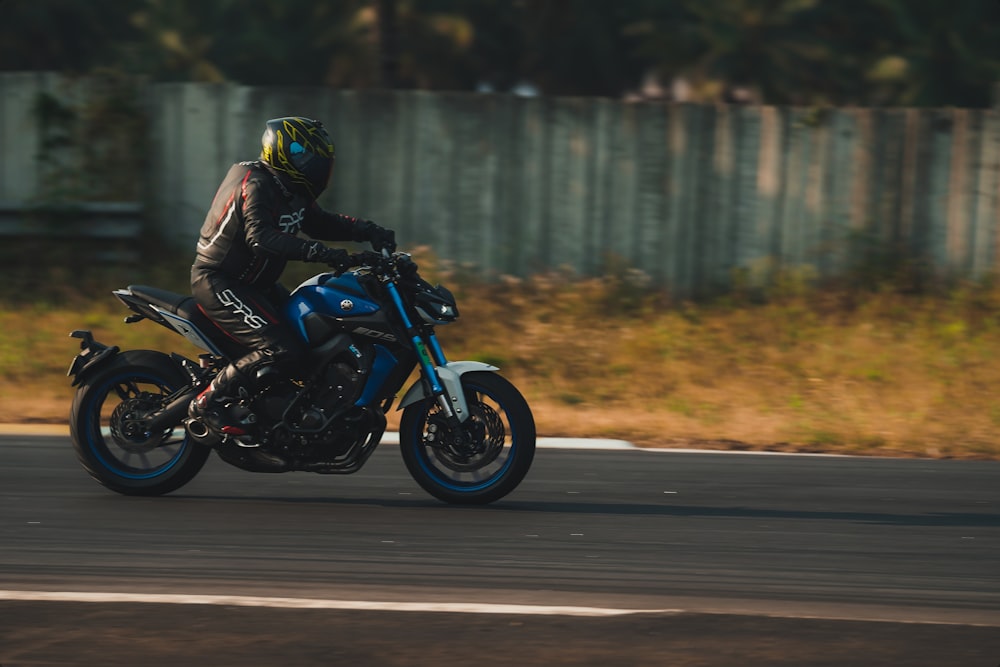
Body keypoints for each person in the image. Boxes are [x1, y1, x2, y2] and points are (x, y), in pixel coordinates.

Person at [189, 116, 395, 437]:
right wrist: (321, 253)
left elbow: (319, 222)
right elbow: (262, 239)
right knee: (281, 349)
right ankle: (207, 403)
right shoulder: (257, 184)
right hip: (219, 282)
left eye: (321, 161)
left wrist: (367, 230)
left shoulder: (290, 188)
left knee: (308, 342)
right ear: (286, 153)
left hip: (257, 286)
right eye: (310, 159)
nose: (317, 167)